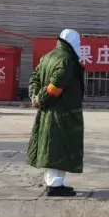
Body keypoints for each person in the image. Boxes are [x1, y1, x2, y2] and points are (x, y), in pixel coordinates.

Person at [27, 29, 86, 197]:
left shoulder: (47, 57)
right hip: (62, 111)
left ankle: (52, 183)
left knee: (50, 146)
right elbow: (56, 85)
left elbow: (34, 78)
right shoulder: (67, 60)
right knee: (58, 147)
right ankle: (55, 186)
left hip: (48, 111)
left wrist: (35, 96)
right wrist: (41, 99)